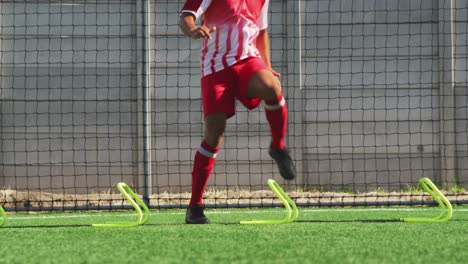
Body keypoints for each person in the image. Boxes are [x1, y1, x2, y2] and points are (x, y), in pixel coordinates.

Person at [179, 0, 296, 224]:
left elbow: (261, 32)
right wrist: (193, 29)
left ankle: (278, 146)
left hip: (248, 61)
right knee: (214, 134)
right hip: (216, 68)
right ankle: (195, 206)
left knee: (271, 86)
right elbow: (186, 16)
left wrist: (267, 66)